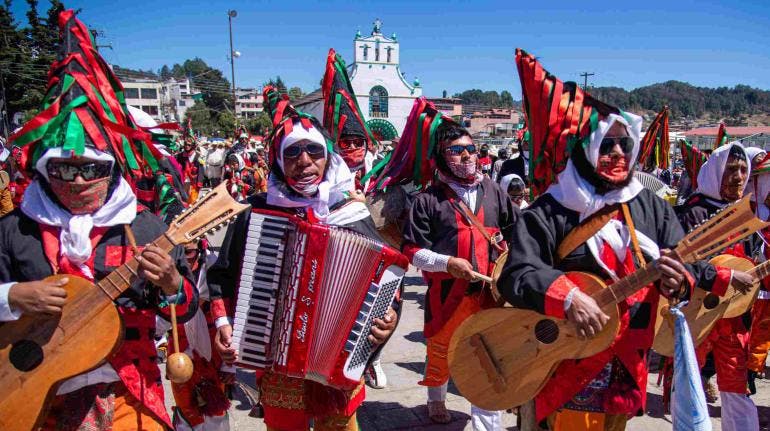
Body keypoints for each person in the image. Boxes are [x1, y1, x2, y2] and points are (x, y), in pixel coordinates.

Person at [498, 49, 738, 431]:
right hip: (564, 358)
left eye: (624, 145)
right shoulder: (550, 209)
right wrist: (568, 296)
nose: (616, 153)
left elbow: (684, 262)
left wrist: (679, 281)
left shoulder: (651, 207)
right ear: (584, 149)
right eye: (605, 145)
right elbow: (516, 275)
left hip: (628, 358)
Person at [0, 10, 198, 430]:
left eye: (91, 170)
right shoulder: (14, 229)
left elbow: (187, 308)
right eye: (63, 170)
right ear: (43, 170)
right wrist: (14, 296)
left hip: (128, 391)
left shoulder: (145, 228)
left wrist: (172, 285)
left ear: (112, 170)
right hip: (29, 398)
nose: (77, 182)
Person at [208, 86, 399, 431]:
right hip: (275, 359)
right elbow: (221, 276)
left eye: (314, 150)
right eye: (292, 152)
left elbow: (385, 282)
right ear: (280, 161)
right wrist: (224, 325)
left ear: (328, 156)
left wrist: (388, 317)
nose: (305, 161)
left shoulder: (351, 213)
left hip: (339, 362)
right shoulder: (257, 213)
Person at [401, 109, 515, 429]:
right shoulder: (428, 200)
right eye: (456, 150)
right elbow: (411, 250)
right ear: (442, 156)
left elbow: (517, 231)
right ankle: (436, 398)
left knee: (490, 356)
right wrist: (447, 263)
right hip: (447, 294)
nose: (466, 156)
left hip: (489, 294)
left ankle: (486, 420)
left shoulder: (493, 190)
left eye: (471, 149)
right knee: (441, 350)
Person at [676, 142, 760, 431]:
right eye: (731, 170)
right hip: (699, 312)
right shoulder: (694, 213)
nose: (739, 177)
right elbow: (683, 262)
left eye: (743, 170)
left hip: (733, 316)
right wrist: (722, 276)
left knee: (736, 382)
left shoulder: (743, 215)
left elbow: (749, 263)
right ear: (715, 173)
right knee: (690, 381)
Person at [320, 48, 389, 388]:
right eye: (344, 143)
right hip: (336, 252)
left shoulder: (382, 175)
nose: (351, 148)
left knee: (385, 305)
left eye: (357, 141)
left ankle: (371, 359)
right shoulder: (323, 176)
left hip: (378, 251)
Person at [170, 239, 233, 431]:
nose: (183, 259)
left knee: (215, 406)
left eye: (188, 253)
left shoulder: (213, 268)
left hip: (213, 347)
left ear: (200, 249)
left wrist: (229, 365)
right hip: (180, 346)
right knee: (186, 405)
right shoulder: (168, 271)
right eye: (179, 252)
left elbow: (224, 308)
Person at [176, 136, 205, 204]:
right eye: (185, 144)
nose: (187, 146)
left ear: (193, 145)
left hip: (194, 181)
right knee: (184, 199)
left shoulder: (198, 155)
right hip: (183, 180)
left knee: (193, 200)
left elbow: (201, 170)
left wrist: (200, 182)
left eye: (189, 145)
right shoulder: (180, 156)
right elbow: (176, 167)